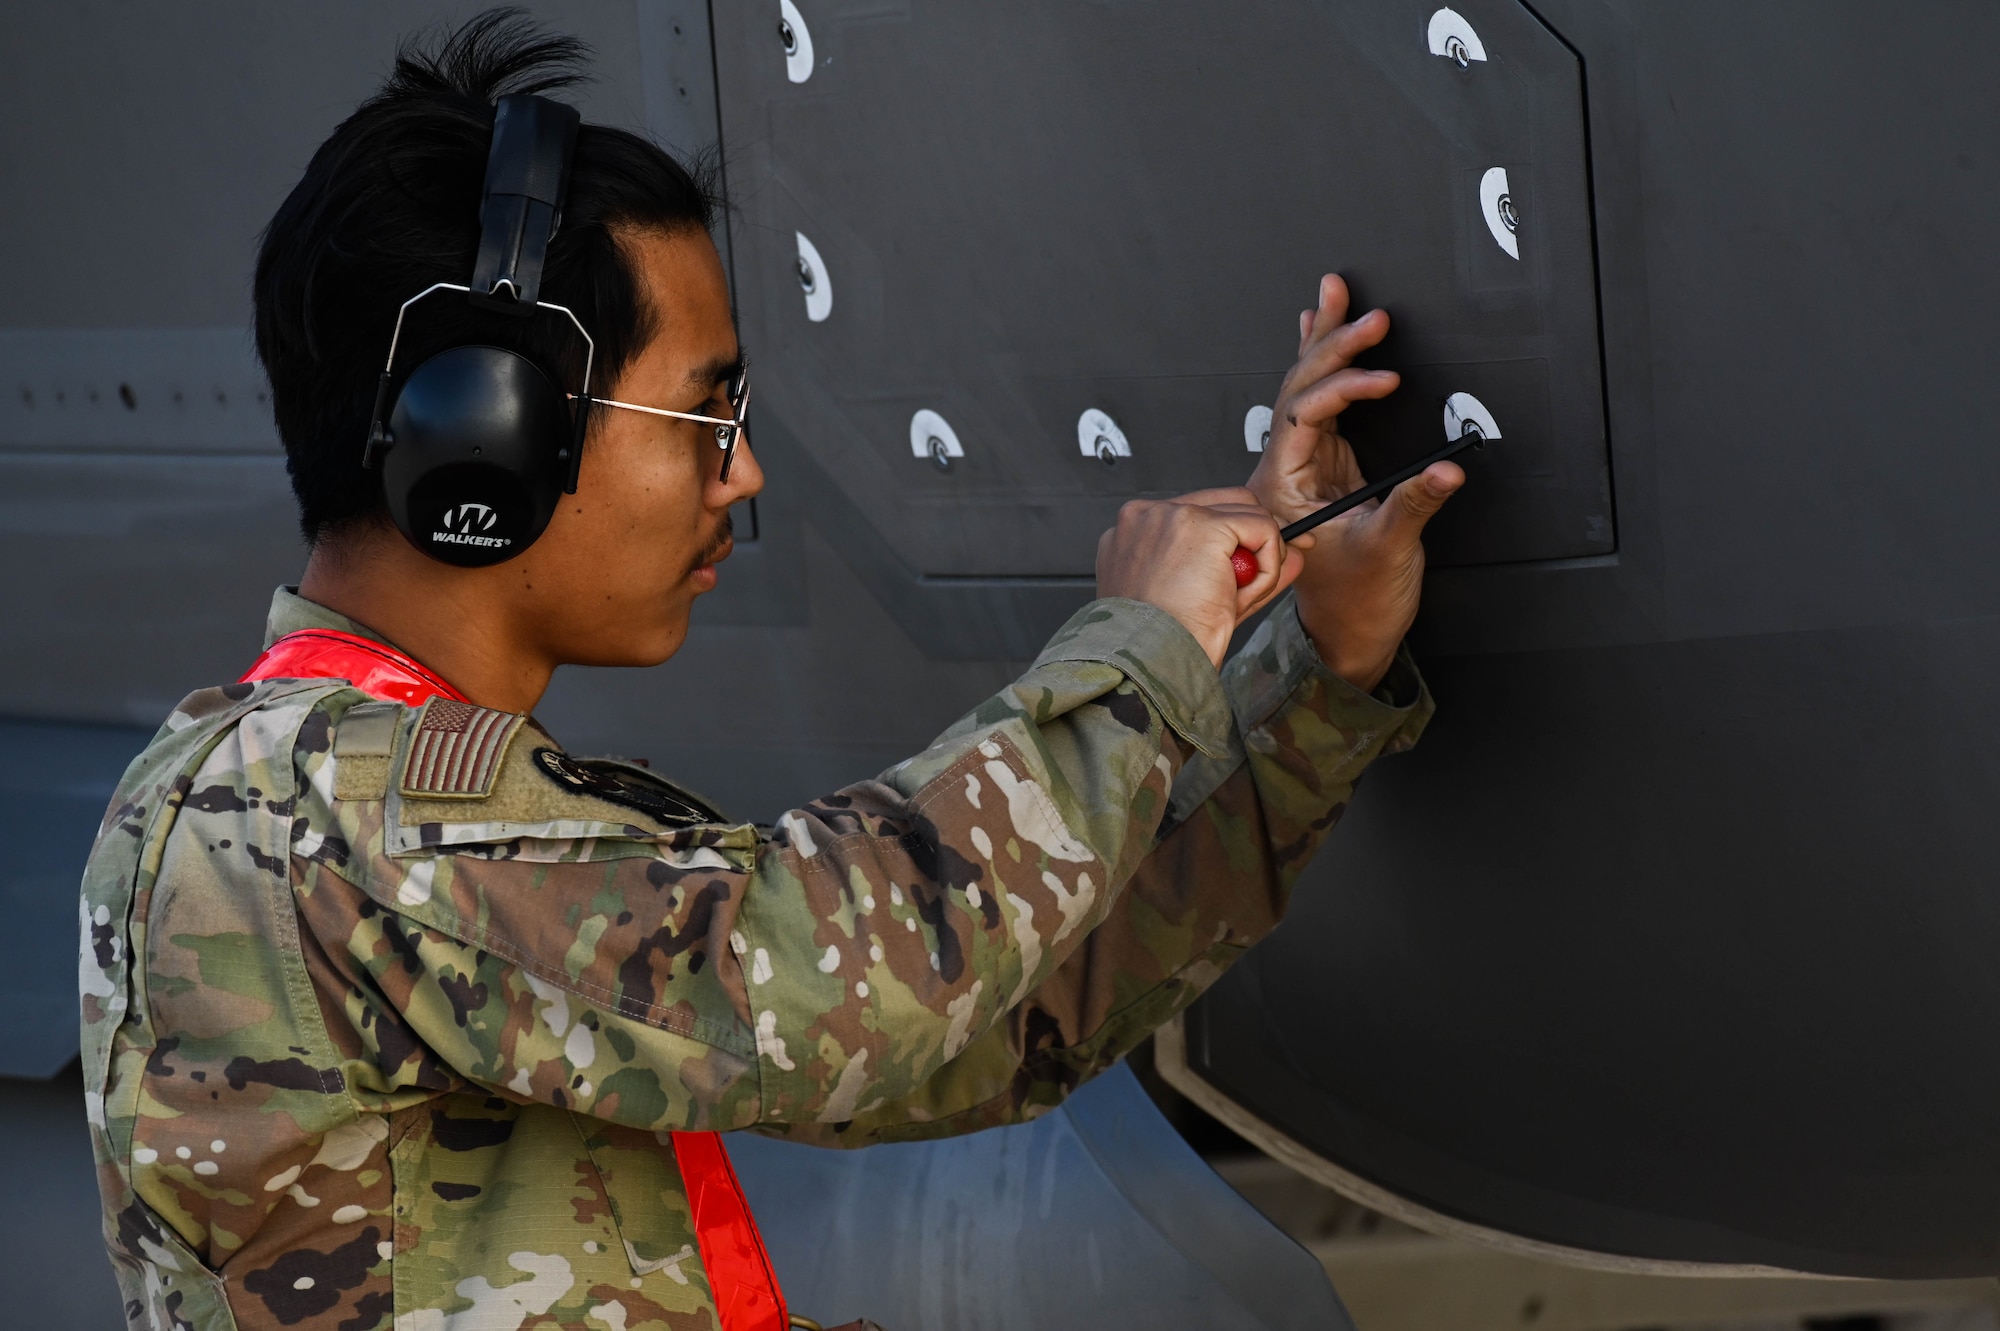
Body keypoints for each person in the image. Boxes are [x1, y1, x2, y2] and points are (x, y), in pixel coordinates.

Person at [78, 13, 1462, 1331]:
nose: (740, 474)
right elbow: (836, 987)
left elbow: (972, 1019)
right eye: (700, 410)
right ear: (490, 432)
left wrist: (1312, 669)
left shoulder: (370, 822)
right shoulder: (304, 817)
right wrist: (1138, 650)